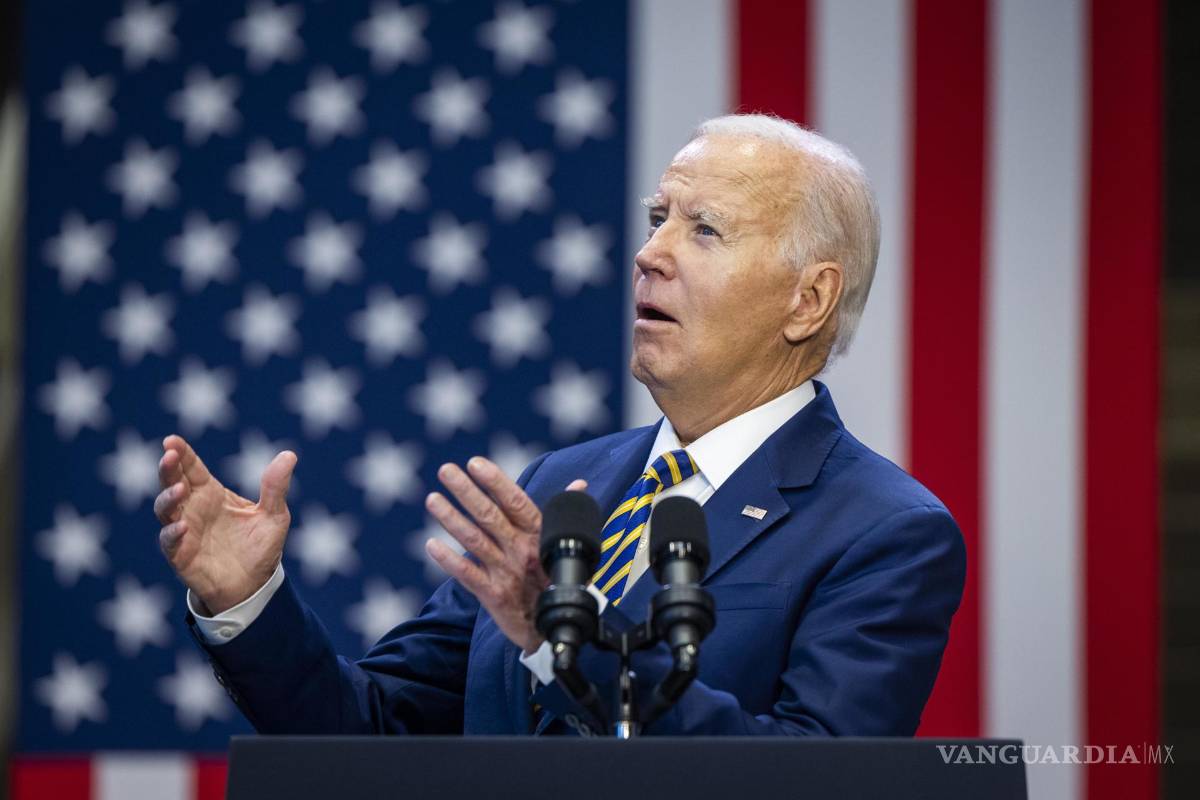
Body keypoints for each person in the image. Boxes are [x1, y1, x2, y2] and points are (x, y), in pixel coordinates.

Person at [154, 113, 965, 736]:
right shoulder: (565, 486)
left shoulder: (885, 533)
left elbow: (808, 778)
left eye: (704, 229)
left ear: (808, 299)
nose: (651, 253)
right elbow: (374, 725)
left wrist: (567, 641)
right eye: (659, 218)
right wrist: (248, 600)